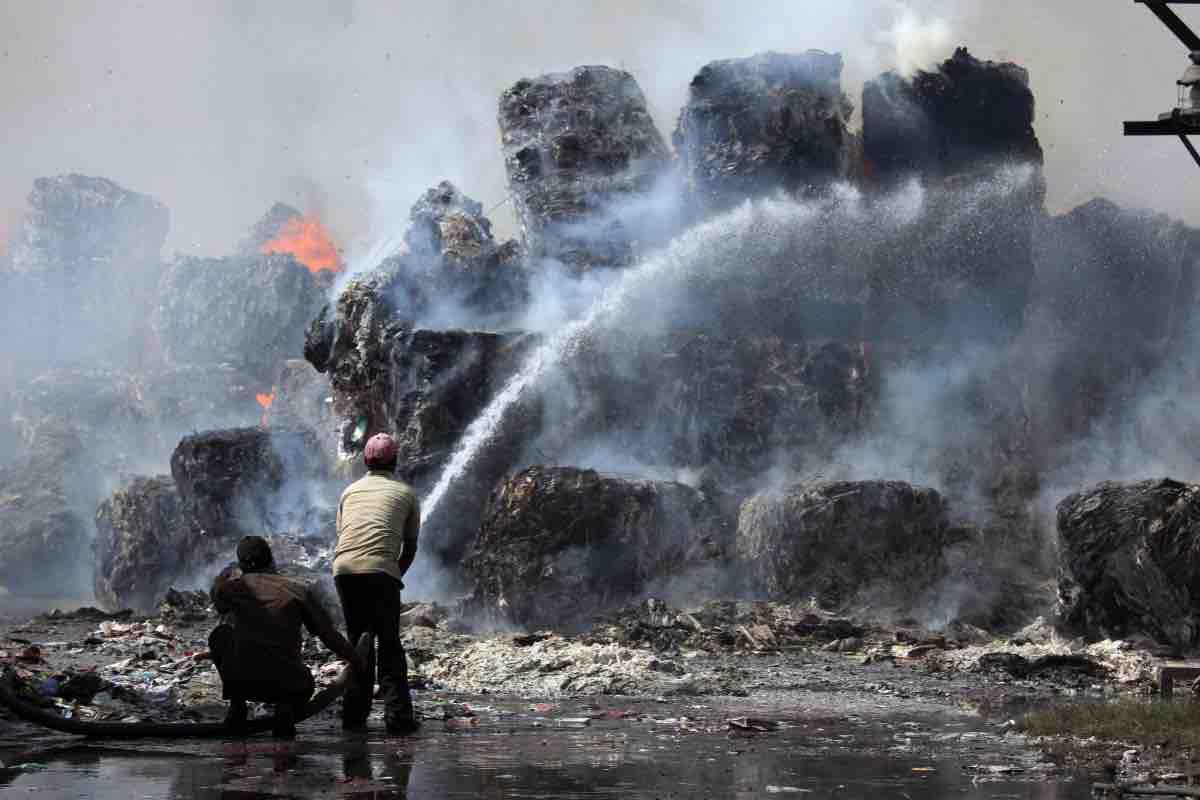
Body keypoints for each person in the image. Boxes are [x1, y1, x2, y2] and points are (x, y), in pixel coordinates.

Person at [209, 536, 367, 738]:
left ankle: (237, 705)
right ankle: (285, 706)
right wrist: (356, 660)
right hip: (290, 685)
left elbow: (217, 599)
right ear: (271, 560)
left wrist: (222, 578)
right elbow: (328, 635)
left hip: (244, 682)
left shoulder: (233, 588)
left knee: (220, 635)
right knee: (296, 679)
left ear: (241, 565)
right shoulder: (297, 589)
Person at [334, 432, 421, 734]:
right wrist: (393, 575)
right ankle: (398, 719)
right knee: (389, 645)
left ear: (365, 461)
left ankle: (353, 717)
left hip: (344, 571)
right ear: (395, 461)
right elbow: (409, 548)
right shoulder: (406, 494)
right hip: (383, 570)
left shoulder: (349, 492)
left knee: (359, 644)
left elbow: (345, 538)